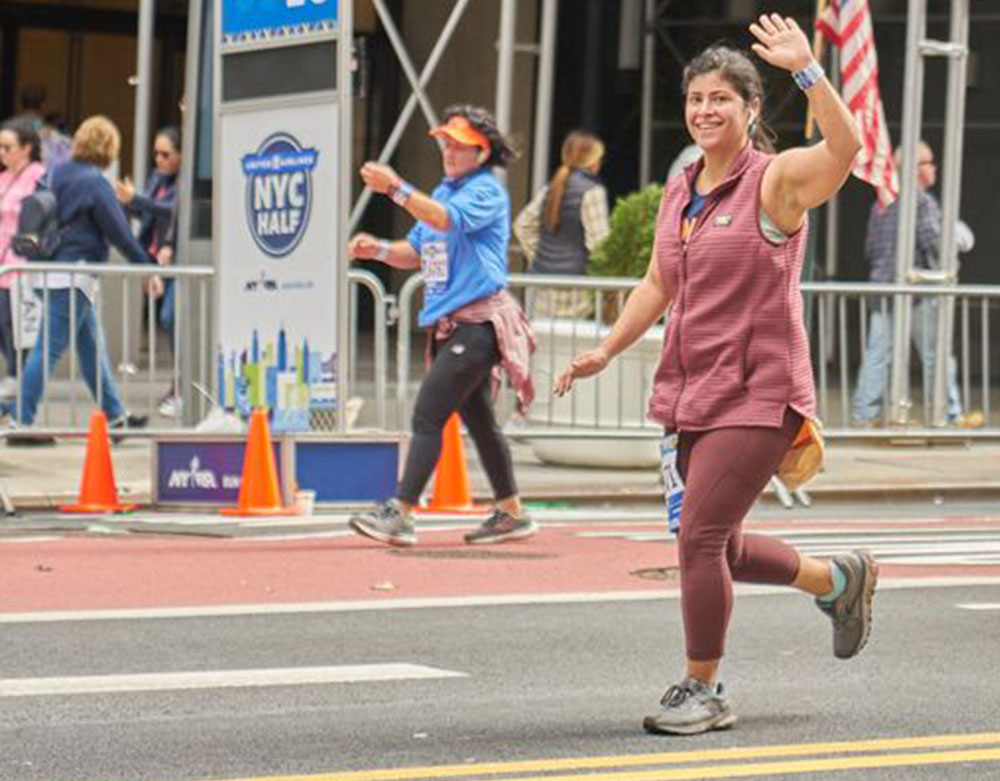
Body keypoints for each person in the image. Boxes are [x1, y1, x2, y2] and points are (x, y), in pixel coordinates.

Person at [555, 17, 877, 735]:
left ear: (750, 108)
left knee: (697, 538)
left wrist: (808, 71)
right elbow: (655, 284)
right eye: (696, 97)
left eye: (721, 99)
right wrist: (607, 349)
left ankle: (704, 685)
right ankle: (838, 579)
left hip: (760, 391)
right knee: (721, 543)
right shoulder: (679, 190)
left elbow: (847, 150)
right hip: (692, 393)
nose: (705, 110)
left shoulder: (776, 181)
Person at [346, 104, 537, 547]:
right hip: (458, 326)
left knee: (428, 413)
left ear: (482, 152)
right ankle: (511, 512)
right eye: (445, 143)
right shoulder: (443, 193)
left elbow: (444, 221)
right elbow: (415, 249)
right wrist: (377, 250)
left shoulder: (485, 192)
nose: (448, 151)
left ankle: (401, 511)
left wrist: (395, 188)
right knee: (480, 422)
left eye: (459, 145)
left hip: (479, 323)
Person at [1, 115, 157, 441]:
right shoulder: (94, 182)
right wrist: (149, 268)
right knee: (47, 351)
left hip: (45, 270)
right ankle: (20, 421)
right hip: (72, 276)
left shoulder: (54, 173)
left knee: (91, 348)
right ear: (108, 148)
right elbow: (121, 235)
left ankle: (115, 418)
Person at [852, 141, 980, 428]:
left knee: (878, 354)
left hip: (883, 291)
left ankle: (865, 416)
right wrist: (958, 238)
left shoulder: (882, 201)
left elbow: (870, 248)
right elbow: (934, 243)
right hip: (917, 293)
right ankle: (950, 415)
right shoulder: (922, 201)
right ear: (916, 169)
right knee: (937, 355)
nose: (934, 167)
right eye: (929, 162)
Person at [114, 126, 182, 417]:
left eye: (166, 154)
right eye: (156, 153)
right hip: (157, 259)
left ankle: (181, 384)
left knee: (171, 316)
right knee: (167, 318)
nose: (159, 159)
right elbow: (146, 213)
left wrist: (136, 200)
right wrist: (127, 204)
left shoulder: (186, 181)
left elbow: (170, 210)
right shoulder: (158, 178)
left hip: (181, 258)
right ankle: (178, 384)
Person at [513, 131, 609, 319]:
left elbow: (522, 225)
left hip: (541, 286)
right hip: (576, 289)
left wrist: (538, 256)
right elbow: (600, 245)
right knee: (575, 346)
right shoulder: (592, 192)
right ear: (592, 161)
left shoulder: (552, 186)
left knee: (543, 345)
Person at [0, 119, 48, 399]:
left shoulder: (39, 177)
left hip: (23, 264)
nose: (3, 153)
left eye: (8, 147)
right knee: (2, 321)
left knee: (14, 323)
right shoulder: (3, 178)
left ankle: (17, 374)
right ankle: (14, 373)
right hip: (3, 261)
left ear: (26, 148)